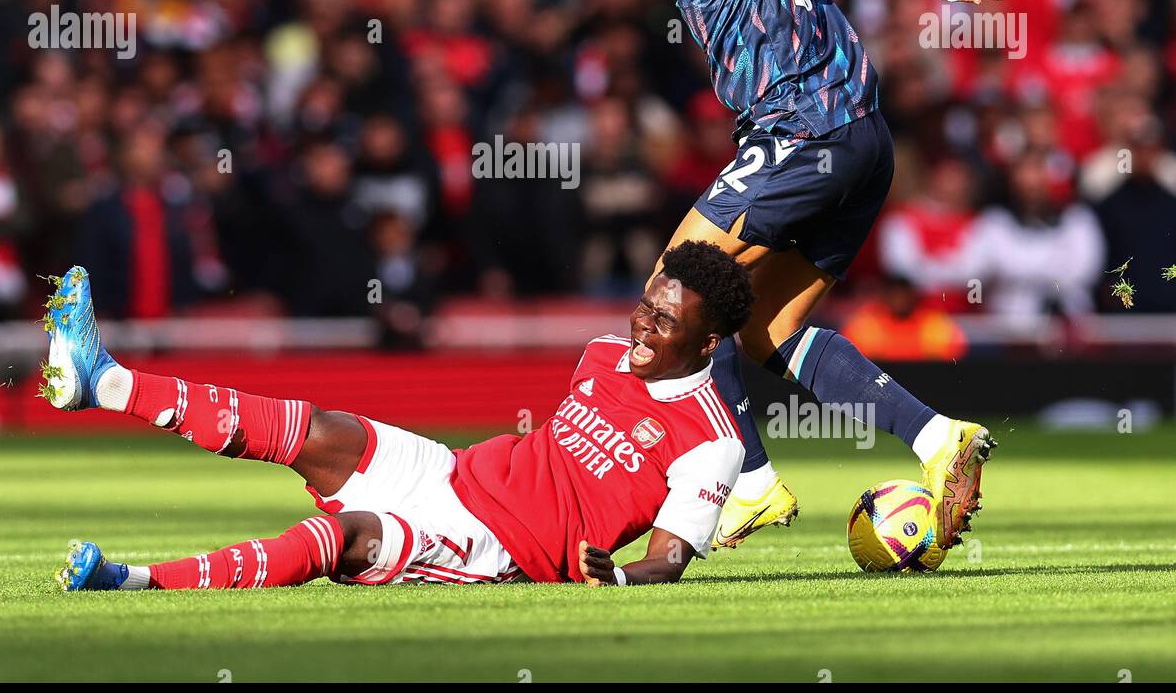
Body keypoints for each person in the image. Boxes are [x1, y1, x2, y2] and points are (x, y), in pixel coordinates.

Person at [573, 0, 1000, 549]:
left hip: (808, 130)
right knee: (767, 329)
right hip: (861, 141)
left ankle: (749, 483)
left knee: (674, 287)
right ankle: (937, 437)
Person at [42, 243, 753, 591]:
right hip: (454, 472)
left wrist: (620, 577)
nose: (641, 325)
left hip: (493, 545)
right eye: (646, 304)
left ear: (710, 342)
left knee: (344, 535)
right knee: (322, 431)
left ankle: (135, 581)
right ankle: (102, 381)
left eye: (664, 320)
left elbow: (668, 560)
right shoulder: (602, 351)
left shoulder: (712, 440)